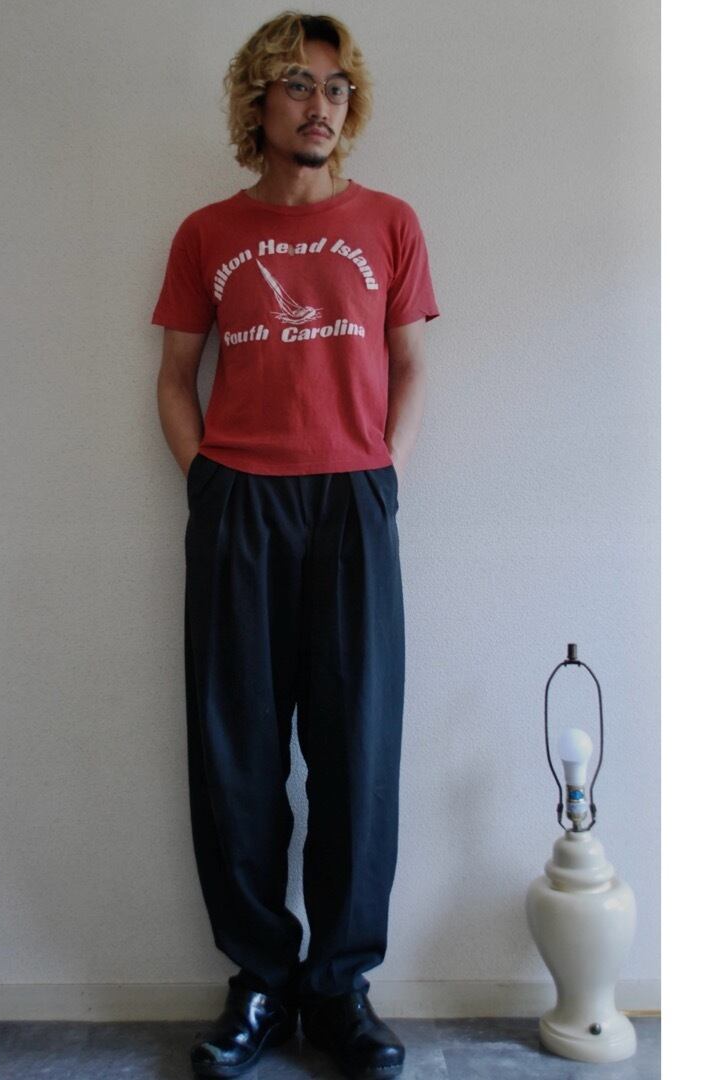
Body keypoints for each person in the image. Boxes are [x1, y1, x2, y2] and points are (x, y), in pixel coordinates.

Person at [152, 11, 439, 1078]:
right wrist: (208, 479)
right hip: (241, 507)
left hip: (352, 504)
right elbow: (174, 377)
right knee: (237, 752)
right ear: (258, 103)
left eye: (335, 88)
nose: (320, 105)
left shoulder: (390, 223)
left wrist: (383, 472)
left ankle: (340, 988)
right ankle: (262, 980)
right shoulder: (207, 233)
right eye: (298, 86)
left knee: (358, 750)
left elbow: (409, 364)